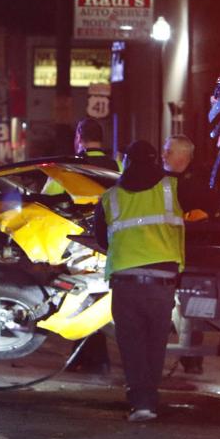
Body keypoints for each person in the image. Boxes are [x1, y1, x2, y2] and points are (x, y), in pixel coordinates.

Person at [94, 140, 185, 422]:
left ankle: (141, 403)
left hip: (125, 282)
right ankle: (149, 401)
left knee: (132, 344)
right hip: (162, 283)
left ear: (126, 162)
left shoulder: (111, 197)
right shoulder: (172, 188)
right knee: (155, 343)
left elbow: (101, 238)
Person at [59, 118, 119, 375]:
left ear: (79, 137)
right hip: (109, 241)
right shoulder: (116, 165)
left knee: (81, 297)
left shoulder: (73, 165)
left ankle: (87, 357)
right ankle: (92, 356)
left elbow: (51, 195)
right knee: (98, 297)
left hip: (82, 242)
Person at [162, 134, 213, 375]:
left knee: (190, 306)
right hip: (176, 252)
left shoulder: (196, 183)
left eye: (168, 151)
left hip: (192, 253)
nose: (164, 155)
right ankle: (188, 357)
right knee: (180, 308)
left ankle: (191, 357)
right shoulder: (170, 180)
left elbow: (198, 215)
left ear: (183, 155)